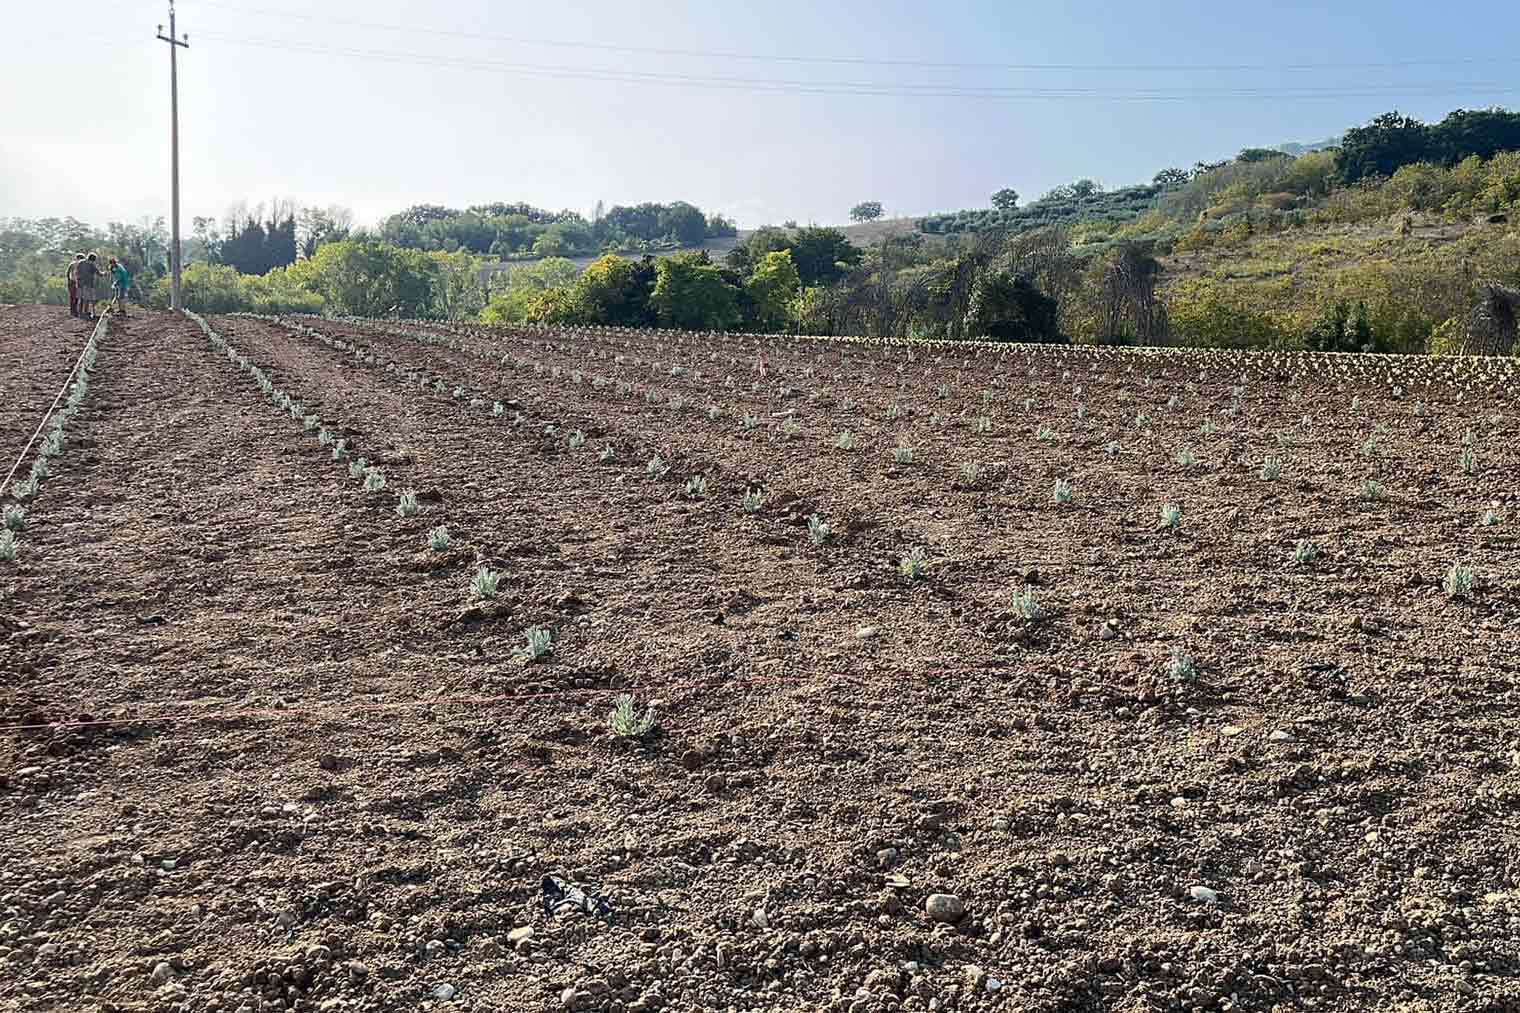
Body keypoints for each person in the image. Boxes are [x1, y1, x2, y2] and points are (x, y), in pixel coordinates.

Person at [76, 253, 103, 320]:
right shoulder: (91, 264)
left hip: (79, 283)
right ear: (93, 259)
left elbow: (76, 272)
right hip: (88, 284)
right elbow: (99, 273)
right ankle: (85, 312)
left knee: (81, 298)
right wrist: (104, 273)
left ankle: (80, 313)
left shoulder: (80, 262)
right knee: (87, 299)